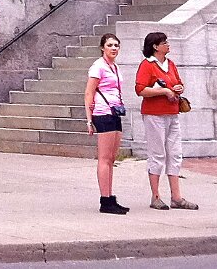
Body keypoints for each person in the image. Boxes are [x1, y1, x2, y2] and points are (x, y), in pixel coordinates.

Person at [135, 31, 196, 210]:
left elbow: (179, 82)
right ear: (155, 46)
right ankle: (155, 196)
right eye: (164, 43)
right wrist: (163, 91)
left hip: (172, 112)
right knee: (157, 154)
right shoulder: (147, 65)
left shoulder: (170, 64)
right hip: (154, 114)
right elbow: (140, 89)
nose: (168, 45)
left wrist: (179, 88)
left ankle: (176, 197)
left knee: (175, 153)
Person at [84, 32, 129, 214]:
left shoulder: (114, 67)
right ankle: (105, 200)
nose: (113, 48)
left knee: (111, 158)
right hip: (102, 113)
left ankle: (110, 197)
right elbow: (89, 93)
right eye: (110, 45)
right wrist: (89, 120)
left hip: (115, 111)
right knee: (104, 157)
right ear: (102, 47)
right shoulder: (98, 67)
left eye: (116, 45)